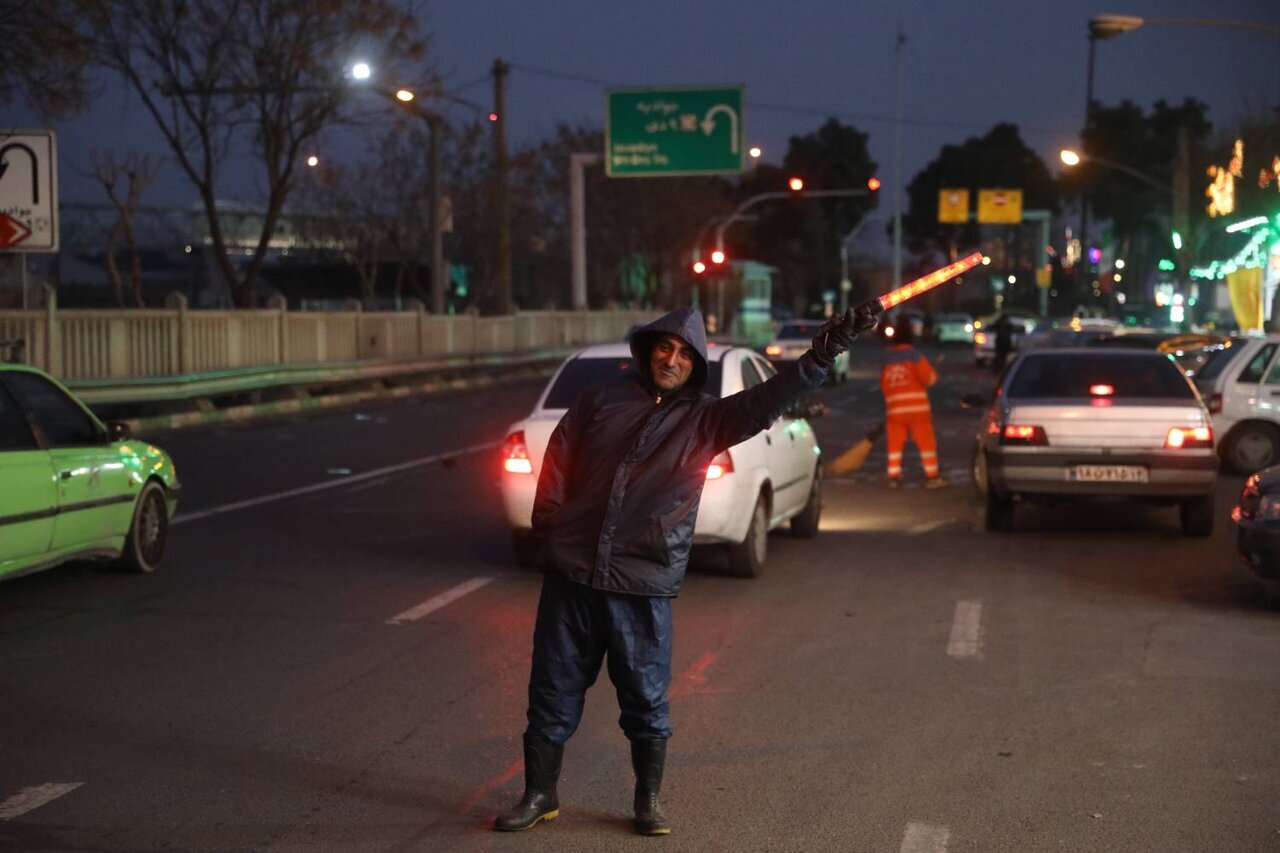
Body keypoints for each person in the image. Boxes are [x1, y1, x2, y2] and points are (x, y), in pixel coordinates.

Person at [494, 305, 875, 836]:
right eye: (665, 348)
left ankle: (647, 801)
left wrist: (820, 356)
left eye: (684, 354)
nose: (671, 360)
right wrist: (552, 529)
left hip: (641, 581)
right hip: (573, 575)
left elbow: (766, 402)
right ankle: (540, 795)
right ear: (649, 349)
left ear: (696, 366)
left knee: (645, 697)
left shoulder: (705, 419)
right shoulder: (600, 400)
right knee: (552, 688)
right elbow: (557, 460)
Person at [880, 320, 945, 489]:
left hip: (895, 410)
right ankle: (932, 476)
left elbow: (885, 386)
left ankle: (893, 477)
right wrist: (932, 373)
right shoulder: (916, 356)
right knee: (926, 442)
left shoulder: (888, 360)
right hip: (917, 410)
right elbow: (928, 379)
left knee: (895, 443)